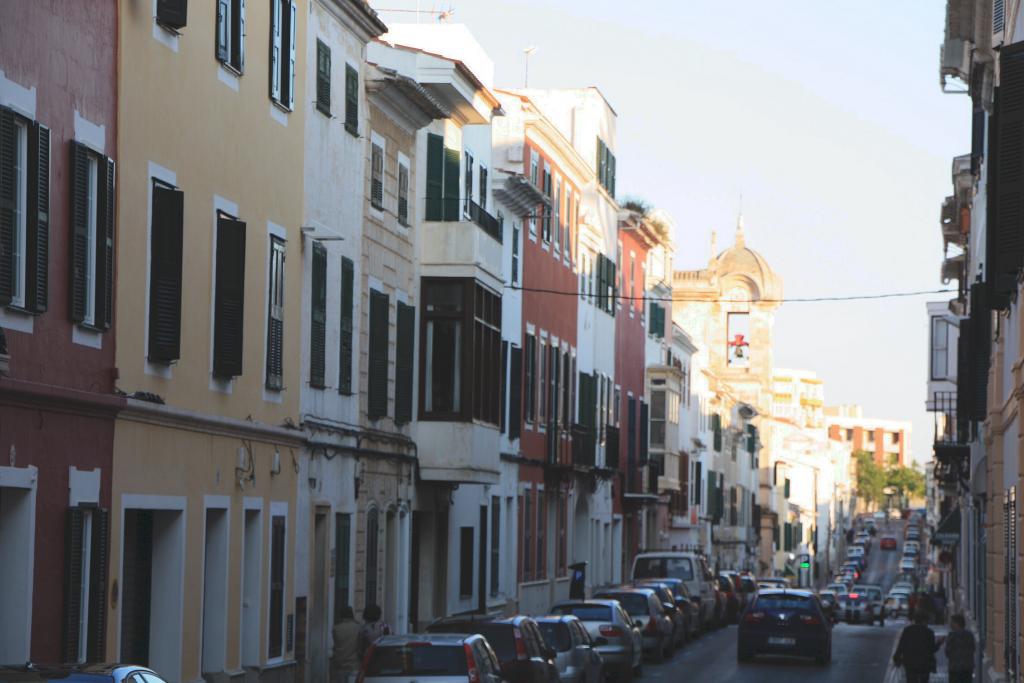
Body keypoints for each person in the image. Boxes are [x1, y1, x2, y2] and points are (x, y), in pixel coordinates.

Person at [894, 611, 944, 683]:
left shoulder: (907, 630)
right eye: (927, 621)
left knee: (911, 680)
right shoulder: (929, 632)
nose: (927, 623)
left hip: (910, 662)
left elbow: (901, 645)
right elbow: (932, 649)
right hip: (924, 664)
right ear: (924, 621)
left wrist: (896, 658)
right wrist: (939, 643)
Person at [331, 606, 360, 683]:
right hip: (353, 664)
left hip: (339, 664)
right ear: (351, 615)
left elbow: (335, 643)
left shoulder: (336, 628)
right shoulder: (358, 628)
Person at [945, 613, 976, 683]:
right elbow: (973, 649)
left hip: (955, 668)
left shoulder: (951, 636)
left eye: (952, 622)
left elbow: (947, 652)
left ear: (957, 624)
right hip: (967, 667)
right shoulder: (969, 635)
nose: (950, 624)